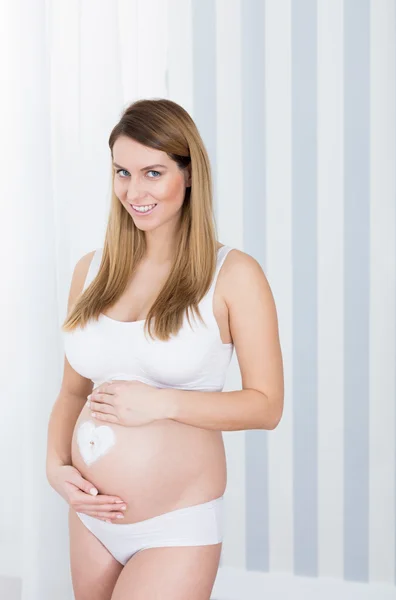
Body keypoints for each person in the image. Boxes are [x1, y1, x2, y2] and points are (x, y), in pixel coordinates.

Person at [46, 98, 284, 600]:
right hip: (91, 518)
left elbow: (266, 406)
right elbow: (72, 393)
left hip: (175, 525)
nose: (134, 191)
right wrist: (55, 467)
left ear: (189, 173)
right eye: (122, 173)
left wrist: (162, 403)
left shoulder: (233, 276)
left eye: (153, 172)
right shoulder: (91, 271)